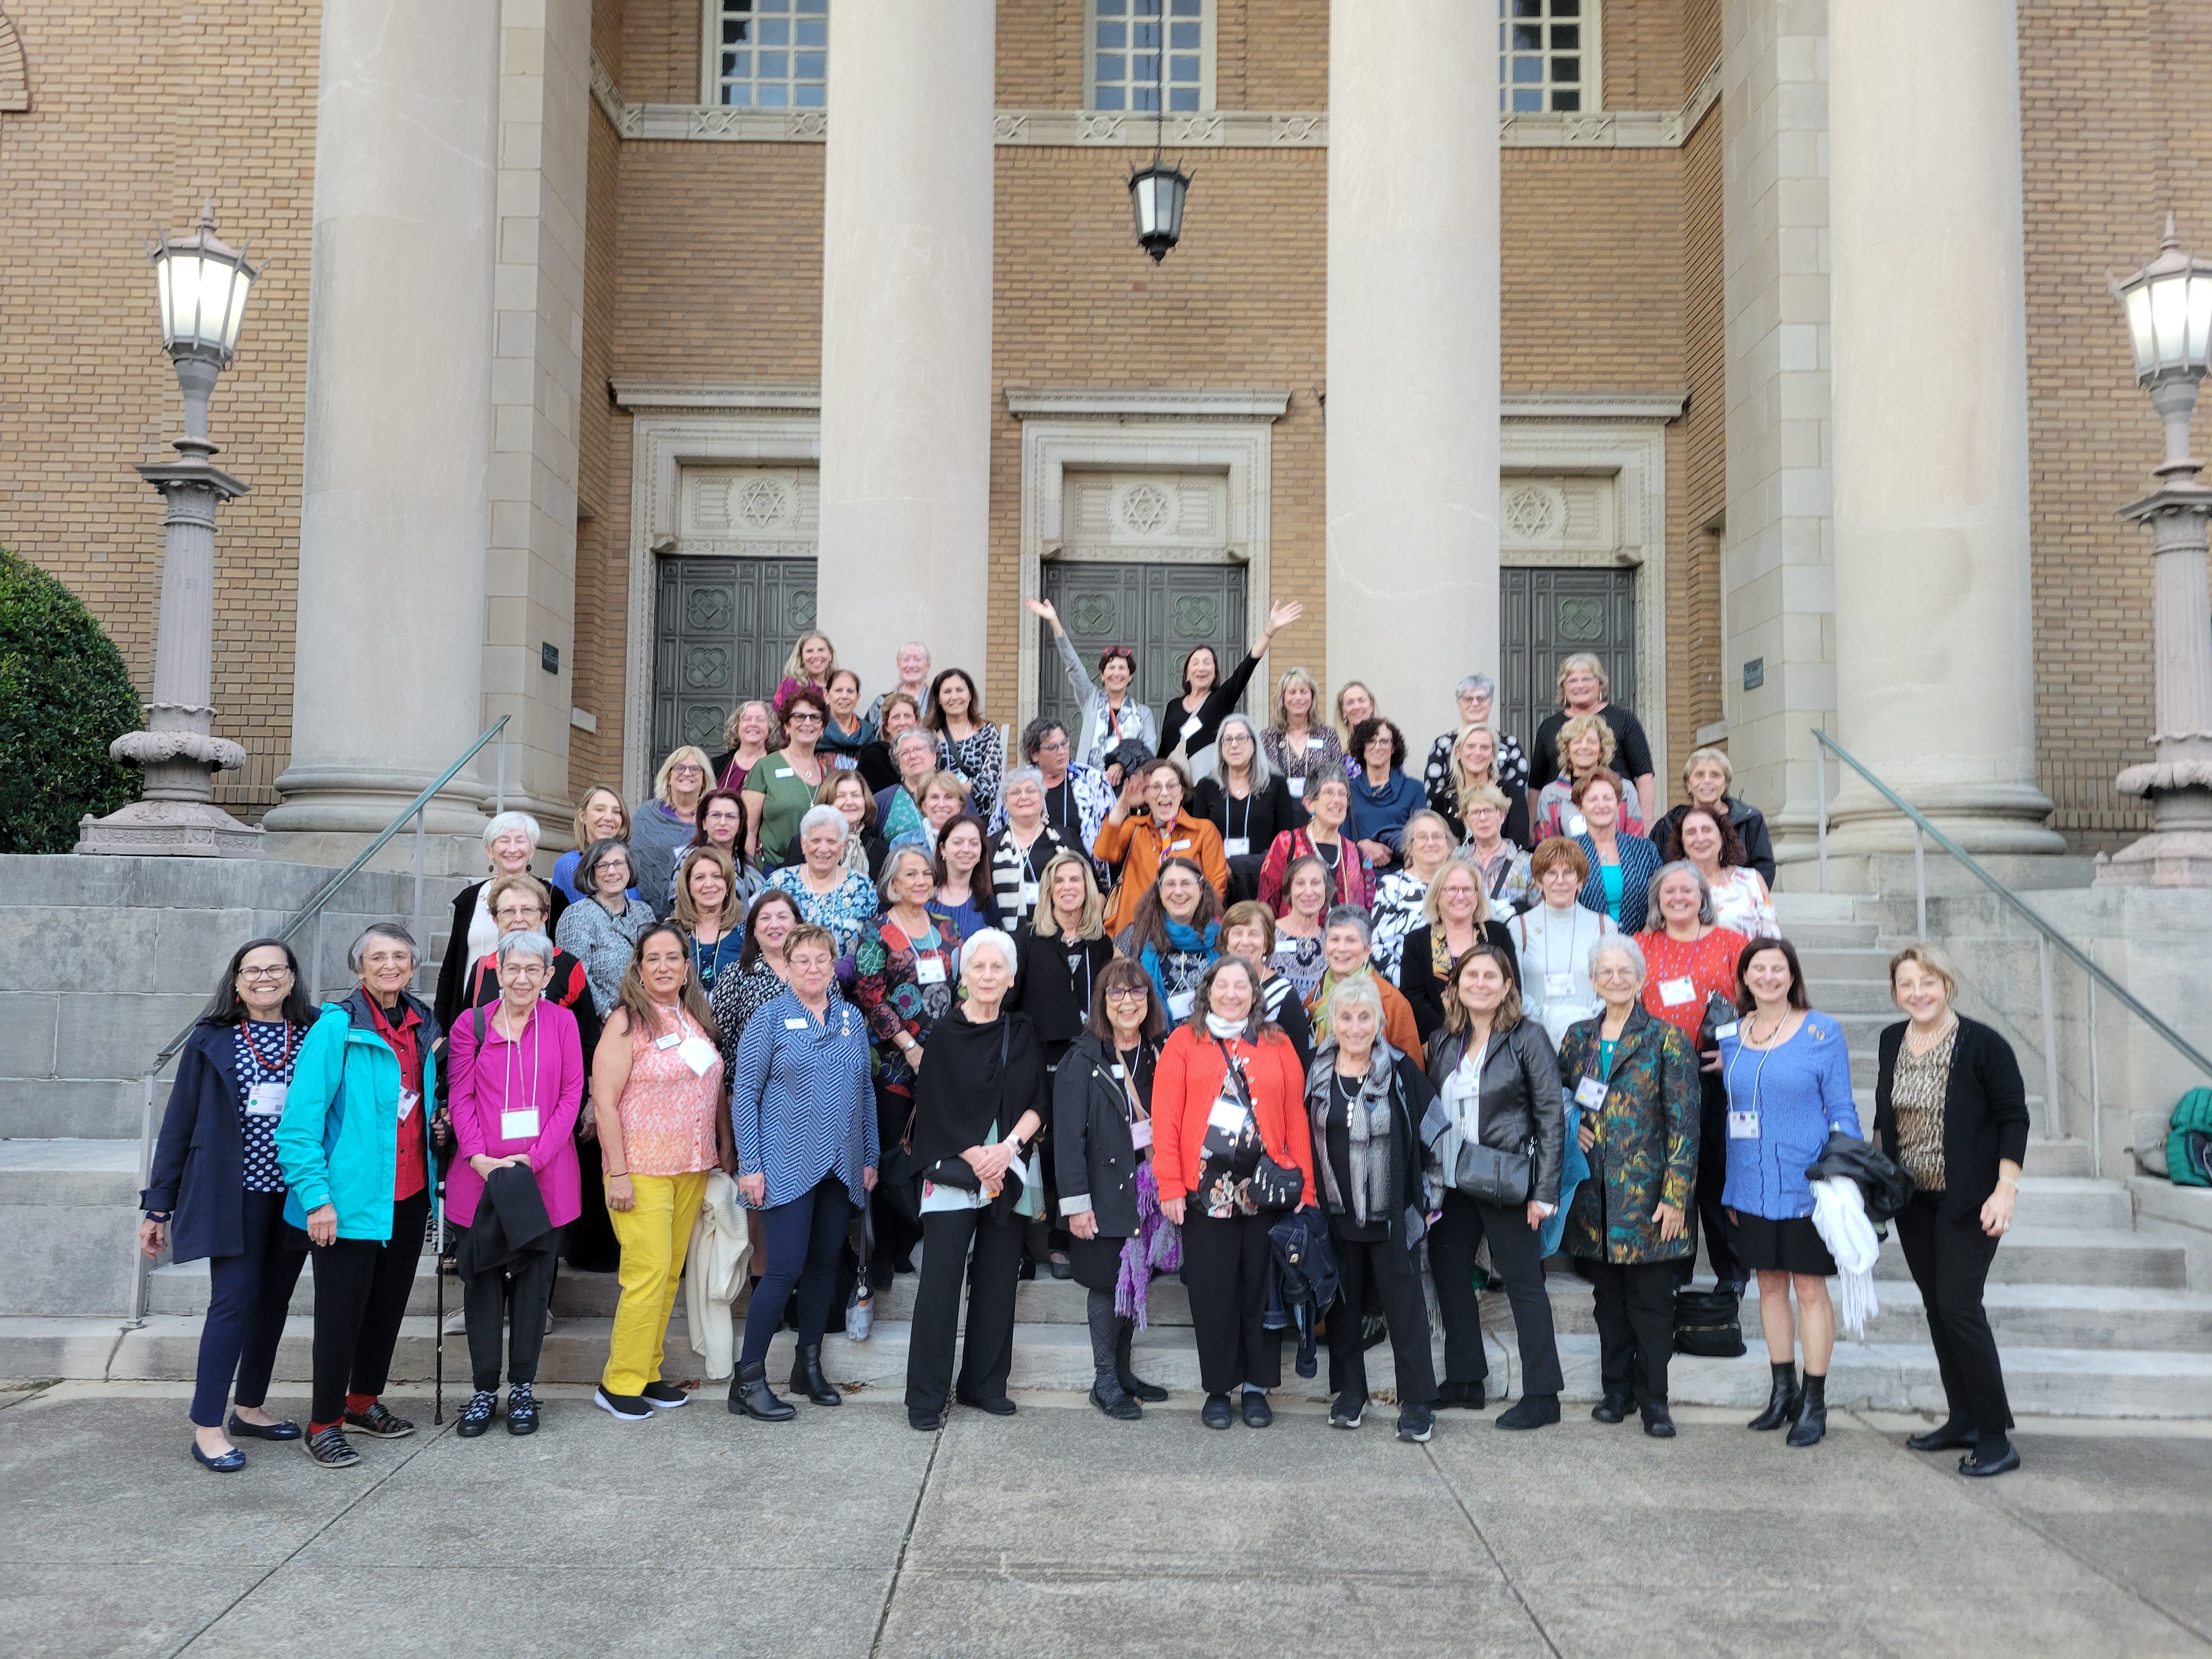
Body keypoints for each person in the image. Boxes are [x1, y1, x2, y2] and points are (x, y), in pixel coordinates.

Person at [140, 939, 316, 1471]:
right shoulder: (210, 1040)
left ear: (291, 978)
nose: (265, 978)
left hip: (295, 1194)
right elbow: (178, 1127)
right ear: (236, 982)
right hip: (232, 1193)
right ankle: (207, 1426)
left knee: (273, 1303)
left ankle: (250, 1407)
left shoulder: (312, 1034)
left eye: (275, 969)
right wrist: (157, 1207)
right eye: (252, 970)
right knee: (233, 1302)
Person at [274, 923, 441, 1469]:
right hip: (346, 1201)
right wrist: (317, 1199)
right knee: (340, 1314)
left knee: (386, 1308)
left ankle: (363, 1400)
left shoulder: (421, 1024)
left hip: (409, 1194)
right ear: (359, 968)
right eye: (378, 958)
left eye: (400, 956)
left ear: (413, 965)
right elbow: (299, 1123)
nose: (390, 965)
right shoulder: (336, 1028)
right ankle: (323, 1423)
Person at [1875, 944, 2029, 1478]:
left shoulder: (1983, 1044)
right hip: (1913, 1201)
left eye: (1928, 982)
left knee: (1960, 1307)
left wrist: (2005, 1190)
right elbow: (1885, 1116)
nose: (1917, 993)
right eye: (1906, 985)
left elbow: (2014, 1119)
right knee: (1938, 1309)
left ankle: (1994, 1436)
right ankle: (1962, 1417)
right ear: (1896, 992)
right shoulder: (1892, 1039)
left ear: (1948, 984)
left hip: (1970, 1199)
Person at [1153, 955, 1314, 1430]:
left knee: (1259, 1290)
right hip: (1205, 1191)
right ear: (1207, 992)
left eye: (1240, 986)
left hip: (1265, 1188)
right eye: (1222, 985)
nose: (1231, 993)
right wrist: (1168, 1183)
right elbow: (1167, 1118)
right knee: (1212, 1291)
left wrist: (1303, 1182)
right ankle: (1219, 1389)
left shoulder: (1277, 1041)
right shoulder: (1184, 1042)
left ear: (1253, 993)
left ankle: (1257, 1387)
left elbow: (1295, 1117)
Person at [727, 923, 878, 1421]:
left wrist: (870, 1155)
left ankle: (806, 1367)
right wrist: (750, 1165)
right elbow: (744, 1094)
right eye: (803, 961)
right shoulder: (768, 1018)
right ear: (787, 966)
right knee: (784, 1267)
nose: (814, 969)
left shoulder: (852, 1019)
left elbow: (866, 1091)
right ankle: (747, 1380)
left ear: (834, 965)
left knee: (822, 1265)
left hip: (842, 1161)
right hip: (784, 1163)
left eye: (822, 960)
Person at [904, 929, 1048, 1429]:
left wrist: (1006, 1150)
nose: (987, 976)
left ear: (1011, 978)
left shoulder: (1024, 1030)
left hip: (1009, 1169)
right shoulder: (944, 1033)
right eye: (977, 968)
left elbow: (1039, 1103)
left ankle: (983, 1384)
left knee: (997, 1281)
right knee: (940, 1284)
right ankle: (925, 1397)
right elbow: (935, 1107)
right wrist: (976, 1154)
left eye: (997, 968)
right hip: (953, 1171)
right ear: (963, 976)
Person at [444, 929, 585, 1438]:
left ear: (549, 975)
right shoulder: (470, 1025)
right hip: (477, 1178)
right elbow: (459, 1098)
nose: (522, 978)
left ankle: (523, 1387)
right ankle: (484, 1390)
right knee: (481, 1286)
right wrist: (480, 1158)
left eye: (533, 969)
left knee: (532, 1291)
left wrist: (534, 1157)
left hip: (544, 1180)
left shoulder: (564, 1022)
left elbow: (572, 1097)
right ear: (497, 973)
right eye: (512, 969)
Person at [1559, 936, 1701, 1438]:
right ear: (1594, 980)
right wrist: (1571, 1122)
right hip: (1595, 1198)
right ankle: (1615, 1392)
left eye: (1625, 971)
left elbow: (1685, 1124)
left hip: (1649, 1198)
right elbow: (1562, 1101)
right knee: (1609, 1302)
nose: (1615, 979)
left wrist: (1676, 1196)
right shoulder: (1577, 1039)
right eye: (1606, 972)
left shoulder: (1668, 1038)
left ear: (1641, 980)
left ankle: (1653, 1400)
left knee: (1652, 1304)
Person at [1722, 936, 1860, 1448]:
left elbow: (1842, 1107)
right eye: (1759, 969)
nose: (1769, 977)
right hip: (1753, 1184)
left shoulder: (1823, 1031)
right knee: (1770, 1286)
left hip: (1808, 1184)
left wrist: (1846, 1173)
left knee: (1808, 1288)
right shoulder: (1733, 1035)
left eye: (1778, 969)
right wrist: (1733, 1188)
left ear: (1792, 975)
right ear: (1745, 978)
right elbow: (1731, 1113)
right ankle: (1782, 1392)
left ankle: (1814, 1400)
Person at [1423, 944, 1567, 1428]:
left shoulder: (1528, 1038)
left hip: (1507, 1180)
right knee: (1449, 1274)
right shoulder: (1444, 1041)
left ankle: (1544, 1395)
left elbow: (1551, 1117)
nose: (1480, 984)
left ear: (1508, 986)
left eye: (1491, 977)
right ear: (1456, 986)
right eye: (1471, 976)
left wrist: (1544, 1193)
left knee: (1525, 1285)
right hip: (1454, 1178)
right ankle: (1466, 1380)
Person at [590, 924, 728, 1421]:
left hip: (689, 1166)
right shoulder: (626, 1023)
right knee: (646, 1275)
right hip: (641, 1168)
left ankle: (647, 1372)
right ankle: (618, 1382)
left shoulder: (693, 1018)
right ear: (640, 968)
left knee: (668, 1276)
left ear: (686, 966)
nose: (665, 966)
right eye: (654, 959)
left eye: (674, 957)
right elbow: (604, 1102)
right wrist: (619, 1173)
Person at [1308, 975, 1442, 1443]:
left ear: (1379, 1022)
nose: (1356, 1026)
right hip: (1336, 1216)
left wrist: (1432, 1200)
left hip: (1392, 1215)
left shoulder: (1402, 1071)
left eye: (1365, 1017)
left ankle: (1418, 1402)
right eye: (1346, 1017)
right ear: (1332, 1023)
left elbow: (1438, 1135)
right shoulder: (1317, 1071)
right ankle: (1350, 1393)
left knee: (1404, 1310)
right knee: (1342, 1310)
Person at [1054, 957, 1175, 1418]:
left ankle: (1123, 1374)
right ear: (1102, 1003)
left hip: (1145, 1193)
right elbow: (1068, 1140)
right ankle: (1104, 1381)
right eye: (1117, 993)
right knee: (1107, 1284)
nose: (1128, 1001)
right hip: (1102, 1193)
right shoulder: (1082, 1059)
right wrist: (1077, 1206)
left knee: (1132, 1279)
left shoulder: (1161, 1052)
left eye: (1138, 992)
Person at [1635, 861, 1750, 1291]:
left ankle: (1732, 1273)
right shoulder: (1640, 945)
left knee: (1716, 1172)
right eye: (1670, 891)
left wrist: (1736, 1054)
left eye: (1688, 890)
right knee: (1671, 1170)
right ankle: (1675, 1269)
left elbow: (1759, 1003)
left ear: (1703, 897)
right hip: (1658, 1077)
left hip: (1714, 1073)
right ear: (1657, 900)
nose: (1679, 897)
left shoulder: (1732, 943)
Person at [436, 811, 561, 1034]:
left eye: (520, 841)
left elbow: (561, 962)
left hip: (534, 1019)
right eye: (503, 841)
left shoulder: (553, 897)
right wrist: (440, 1030)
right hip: (475, 1018)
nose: (512, 849)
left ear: (532, 850)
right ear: (489, 850)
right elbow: (450, 968)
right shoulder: (470, 899)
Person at [1155, 597, 1303, 775]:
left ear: (1215, 672)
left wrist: (1269, 632)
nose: (1201, 668)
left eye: (1207, 663)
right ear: (1187, 673)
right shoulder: (1173, 706)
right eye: (1195, 663)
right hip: (1175, 789)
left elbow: (1247, 666)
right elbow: (1163, 751)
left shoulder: (1220, 700)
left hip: (1208, 786)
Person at [1093, 757, 1230, 936]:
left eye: (1171, 786)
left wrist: (1194, 930)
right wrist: (1123, 804)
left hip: (1186, 934)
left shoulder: (1203, 831)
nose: (1164, 793)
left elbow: (1216, 889)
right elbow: (1103, 852)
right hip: (1135, 934)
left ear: (1182, 793)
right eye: (1156, 787)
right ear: (1146, 796)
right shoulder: (1135, 827)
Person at [710, 889, 836, 1077]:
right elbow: (720, 1039)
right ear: (753, 928)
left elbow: (836, 1029)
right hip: (750, 1086)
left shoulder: (820, 971)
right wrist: (729, 1091)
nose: (774, 925)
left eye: (782, 917)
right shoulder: (734, 974)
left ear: (797, 924)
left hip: (818, 1082)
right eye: (765, 918)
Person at [1025, 597, 1159, 770]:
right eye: (1111, 668)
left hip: (1128, 789)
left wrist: (1122, 765)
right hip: (1089, 786)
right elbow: (1073, 665)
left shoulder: (1144, 714)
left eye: (1122, 668)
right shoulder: (1091, 700)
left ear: (1130, 676)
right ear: (1102, 676)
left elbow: (1149, 754)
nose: (1116, 673)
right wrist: (1054, 621)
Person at [1397, 856, 1519, 1043]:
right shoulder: (1417, 941)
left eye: (1468, 889)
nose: (1460, 896)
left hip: (1496, 1040)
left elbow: (1511, 988)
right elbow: (1415, 1000)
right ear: (1437, 896)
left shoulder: (1498, 934)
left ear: (1478, 895)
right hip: (1439, 1042)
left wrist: (1486, 1037)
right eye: (1452, 889)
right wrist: (1452, 1037)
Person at [1528, 652, 1657, 827]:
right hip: (1560, 818)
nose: (1579, 686)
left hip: (1616, 819)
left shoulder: (1623, 720)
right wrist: (1531, 828)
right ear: (1563, 688)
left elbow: (1644, 776)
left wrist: (1646, 823)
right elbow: (1536, 784)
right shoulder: (1549, 727)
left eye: (1587, 679)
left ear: (1600, 684)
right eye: (1572, 681)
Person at [1511, 838, 1619, 1043]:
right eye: (1551, 873)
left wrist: (1586, 1023)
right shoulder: (1519, 927)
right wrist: (1549, 1021)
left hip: (1592, 1036)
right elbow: (1516, 991)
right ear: (1540, 880)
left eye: (1569, 873)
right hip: (1535, 1039)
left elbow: (1612, 986)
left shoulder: (1604, 927)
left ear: (1580, 881)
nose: (1560, 881)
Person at [1191, 713, 1305, 902]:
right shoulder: (1206, 787)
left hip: (1264, 880)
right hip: (1217, 882)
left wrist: (1240, 866)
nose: (1234, 745)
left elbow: (1286, 842)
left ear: (1254, 744)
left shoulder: (1276, 785)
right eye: (1227, 740)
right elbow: (1198, 841)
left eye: (1241, 738)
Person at [1113, 855, 1224, 1025]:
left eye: (1186, 883)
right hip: (1155, 1043)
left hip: (1212, 1042)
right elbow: (1116, 995)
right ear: (1160, 892)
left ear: (1201, 891)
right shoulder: (1135, 937)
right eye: (1170, 884)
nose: (1178, 892)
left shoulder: (1222, 938)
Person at [556, 838, 656, 1020]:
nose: (612, 871)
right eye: (602, 866)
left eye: (618, 863)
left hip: (650, 1015)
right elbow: (579, 979)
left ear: (629, 867)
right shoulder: (577, 916)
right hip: (602, 1024)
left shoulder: (644, 912)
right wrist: (608, 1016)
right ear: (591, 872)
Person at [1653, 746, 1778, 889]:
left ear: (1725, 783)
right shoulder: (1668, 824)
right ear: (1688, 784)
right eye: (1699, 775)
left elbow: (1764, 868)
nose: (1707, 781)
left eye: (1715, 775)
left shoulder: (1750, 819)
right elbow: (1657, 872)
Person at [1254, 771, 1378, 915]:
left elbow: (1370, 912)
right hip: (1295, 936)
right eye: (1329, 793)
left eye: (1342, 794)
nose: (1337, 800)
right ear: (1309, 804)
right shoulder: (1288, 844)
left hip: (1346, 936)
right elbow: (1267, 903)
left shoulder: (1358, 854)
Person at [1306, 907, 1422, 1059]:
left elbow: (1412, 1072)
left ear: (1368, 950)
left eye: (1351, 940)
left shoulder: (1391, 1003)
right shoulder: (1316, 994)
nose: (1341, 948)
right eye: (1335, 939)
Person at [767, 805, 881, 960]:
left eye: (831, 841)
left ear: (843, 846)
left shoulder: (863, 887)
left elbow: (873, 943)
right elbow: (759, 931)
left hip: (846, 981)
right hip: (788, 979)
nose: (823, 849)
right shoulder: (780, 882)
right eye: (816, 840)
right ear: (803, 844)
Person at [1218, 899, 1317, 1076]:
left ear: (1266, 944)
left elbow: (1300, 1062)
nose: (1245, 942)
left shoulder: (1285, 996)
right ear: (1227, 941)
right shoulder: (1214, 988)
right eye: (1238, 933)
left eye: (1254, 934)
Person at [990, 716, 1114, 856]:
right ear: (1034, 754)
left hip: (1080, 871)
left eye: (1064, 744)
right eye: (1053, 748)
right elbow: (996, 831)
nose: (1062, 752)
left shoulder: (1093, 780)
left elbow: (1113, 831)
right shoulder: (1018, 785)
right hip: (1031, 870)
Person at [743, 687, 833, 873]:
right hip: (771, 871)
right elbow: (748, 830)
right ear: (787, 726)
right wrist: (750, 874)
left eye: (815, 717)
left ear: (822, 728)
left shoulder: (830, 776)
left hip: (817, 874)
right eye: (799, 716)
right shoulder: (765, 768)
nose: (807, 722)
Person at [1423, 674, 1530, 826]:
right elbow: (1433, 793)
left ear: (1491, 703)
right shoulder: (1443, 744)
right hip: (1453, 823)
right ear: (1459, 704)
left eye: (1481, 698)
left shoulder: (1509, 744)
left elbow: (1518, 791)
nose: (1475, 704)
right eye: (1468, 699)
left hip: (1500, 825)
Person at [1369, 809, 1461, 980]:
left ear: (1450, 845)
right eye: (1422, 837)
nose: (1430, 843)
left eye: (1437, 836)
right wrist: (1413, 987)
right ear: (1409, 847)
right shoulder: (1392, 887)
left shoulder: (1463, 886)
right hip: (1408, 989)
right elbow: (1378, 949)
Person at [984, 768, 1073, 933]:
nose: (1024, 797)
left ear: (1042, 796)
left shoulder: (1066, 839)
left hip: (1060, 934)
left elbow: (1091, 885)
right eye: (1016, 792)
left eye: (1031, 791)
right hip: (1009, 938)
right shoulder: (992, 845)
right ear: (1005, 801)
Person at [1572, 770, 1662, 933]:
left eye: (1608, 798)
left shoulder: (1645, 850)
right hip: (1586, 949)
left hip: (1639, 948)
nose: (1602, 805)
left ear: (1618, 804)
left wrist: (1643, 940)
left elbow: (1661, 899)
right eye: (1593, 799)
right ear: (1580, 808)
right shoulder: (1569, 852)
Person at [1534, 714, 1648, 840]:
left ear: (1602, 749)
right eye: (1577, 741)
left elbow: (1636, 841)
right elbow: (1545, 848)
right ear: (1567, 749)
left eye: (1592, 742)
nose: (1584, 747)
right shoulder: (1550, 796)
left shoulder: (1625, 790)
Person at [631, 747, 714, 917]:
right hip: (647, 912)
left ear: (704, 779)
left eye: (695, 769)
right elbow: (632, 863)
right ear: (669, 777)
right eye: (679, 767)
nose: (687, 773)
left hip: (700, 913)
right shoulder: (646, 815)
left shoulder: (713, 817)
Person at [1677, 804, 1778, 940]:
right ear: (1682, 842)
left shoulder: (1752, 880)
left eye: (1707, 830)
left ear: (1722, 837)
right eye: (1691, 832)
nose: (1700, 838)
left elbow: (1772, 937)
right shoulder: (1673, 884)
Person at [1434, 723, 1535, 853]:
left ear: (1493, 754)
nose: (1478, 753)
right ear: (1459, 752)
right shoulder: (1443, 800)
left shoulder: (1511, 794)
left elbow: (1518, 845)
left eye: (1485, 747)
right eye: (1471, 746)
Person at [781, 769, 888, 883]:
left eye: (856, 795)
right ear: (828, 802)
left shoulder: (879, 850)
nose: (849, 802)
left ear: (865, 801)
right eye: (841, 796)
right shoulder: (805, 843)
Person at [924, 667, 1002, 822]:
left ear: (970, 694)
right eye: (947, 692)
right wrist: (964, 788)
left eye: (960, 690)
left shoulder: (988, 733)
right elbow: (923, 783)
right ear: (938, 699)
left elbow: (988, 786)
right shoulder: (928, 736)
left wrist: (946, 792)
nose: (954, 697)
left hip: (979, 820)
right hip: (938, 820)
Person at [1347, 716, 1425, 870]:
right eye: (1371, 741)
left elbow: (1421, 838)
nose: (1377, 747)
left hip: (1403, 876)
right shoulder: (1348, 791)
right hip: (1359, 876)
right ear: (1362, 748)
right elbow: (1337, 838)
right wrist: (1360, 847)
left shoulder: (1414, 789)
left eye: (1384, 741)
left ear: (1393, 748)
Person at [673, 787, 763, 916]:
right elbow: (678, 903)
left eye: (730, 817)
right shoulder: (689, 858)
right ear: (704, 822)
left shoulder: (746, 864)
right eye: (716, 815)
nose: (723, 823)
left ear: (740, 825)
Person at [1261, 665, 1343, 802]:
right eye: (1292, 692)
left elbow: (1340, 777)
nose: (1298, 698)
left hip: (1320, 812)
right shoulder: (1267, 737)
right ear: (1283, 698)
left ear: (1312, 696)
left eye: (1303, 692)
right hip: (1280, 812)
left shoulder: (1329, 735)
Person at [672, 844, 746, 995]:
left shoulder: (746, 933)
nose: (709, 884)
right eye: (700, 878)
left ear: (728, 885)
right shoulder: (674, 934)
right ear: (688, 887)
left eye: (717, 876)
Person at [1459, 782, 1537, 916]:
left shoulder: (1528, 864)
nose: (1483, 818)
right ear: (1466, 820)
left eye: (1489, 810)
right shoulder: (1456, 861)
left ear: (1502, 816)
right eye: (1475, 812)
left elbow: (1539, 915)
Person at [1266, 855, 1330, 1003]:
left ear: (1326, 890)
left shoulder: (1331, 942)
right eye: (1300, 883)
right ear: (1289, 890)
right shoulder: (1268, 933)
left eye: (1316, 883)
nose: (1309, 892)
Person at [552, 786, 633, 904]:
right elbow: (592, 917)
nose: (609, 818)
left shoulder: (626, 865)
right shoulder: (571, 863)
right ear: (582, 816)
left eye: (616, 812)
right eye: (600, 809)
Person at [929, 812, 995, 940]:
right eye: (958, 842)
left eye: (974, 843)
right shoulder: (923, 897)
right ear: (943, 849)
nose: (966, 849)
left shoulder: (988, 904)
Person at [876, 727, 943, 849]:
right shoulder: (882, 801)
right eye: (905, 753)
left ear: (934, 757)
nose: (913, 756)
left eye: (919, 749)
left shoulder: (956, 795)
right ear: (898, 764)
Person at [857, 691, 921, 794]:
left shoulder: (926, 754)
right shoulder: (874, 757)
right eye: (896, 717)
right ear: (886, 726)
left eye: (908, 716)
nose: (902, 723)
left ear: (917, 723)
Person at [710, 698, 779, 793]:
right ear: (737, 726)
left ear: (770, 728)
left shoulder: (779, 765)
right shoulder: (715, 765)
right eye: (747, 719)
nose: (753, 724)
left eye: (760, 720)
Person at [866, 640, 933, 729]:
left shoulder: (937, 701)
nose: (911, 665)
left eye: (917, 659)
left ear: (928, 666)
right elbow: (869, 736)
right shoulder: (882, 702)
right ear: (899, 665)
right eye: (906, 659)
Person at [818, 666, 874, 768]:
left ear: (857, 698)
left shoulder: (868, 735)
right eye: (838, 690)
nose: (844, 696)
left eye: (850, 691)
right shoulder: (816, 732)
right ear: (827, 695)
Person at [772, 629, 837, 714]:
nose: (816, 656)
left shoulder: (838, 684)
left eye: (821, 650)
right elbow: (777, 719)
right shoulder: (791, 685)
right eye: (809, 651)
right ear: (801, 657)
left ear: (831, 655)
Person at [1333, 680, 1377, 763]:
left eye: (1361, 700)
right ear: (1343, 712)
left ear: (1372, 706)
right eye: (1350, 703)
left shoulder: (1386, 741)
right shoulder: (1333, 744)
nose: (1357, 707)